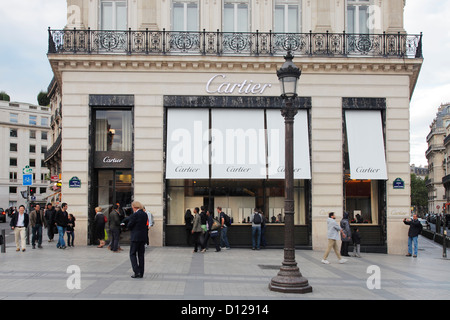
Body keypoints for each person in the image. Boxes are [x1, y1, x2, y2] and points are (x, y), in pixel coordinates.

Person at [128, 201, 149, 278]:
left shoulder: (135, 215)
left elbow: (130, 225)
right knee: (141, 255)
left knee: (132, 254)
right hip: (142, 237)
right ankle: (141, 272)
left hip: (135, 237)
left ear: (134, 207)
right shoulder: (145, 214)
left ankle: (137, 271)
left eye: (132, 207)